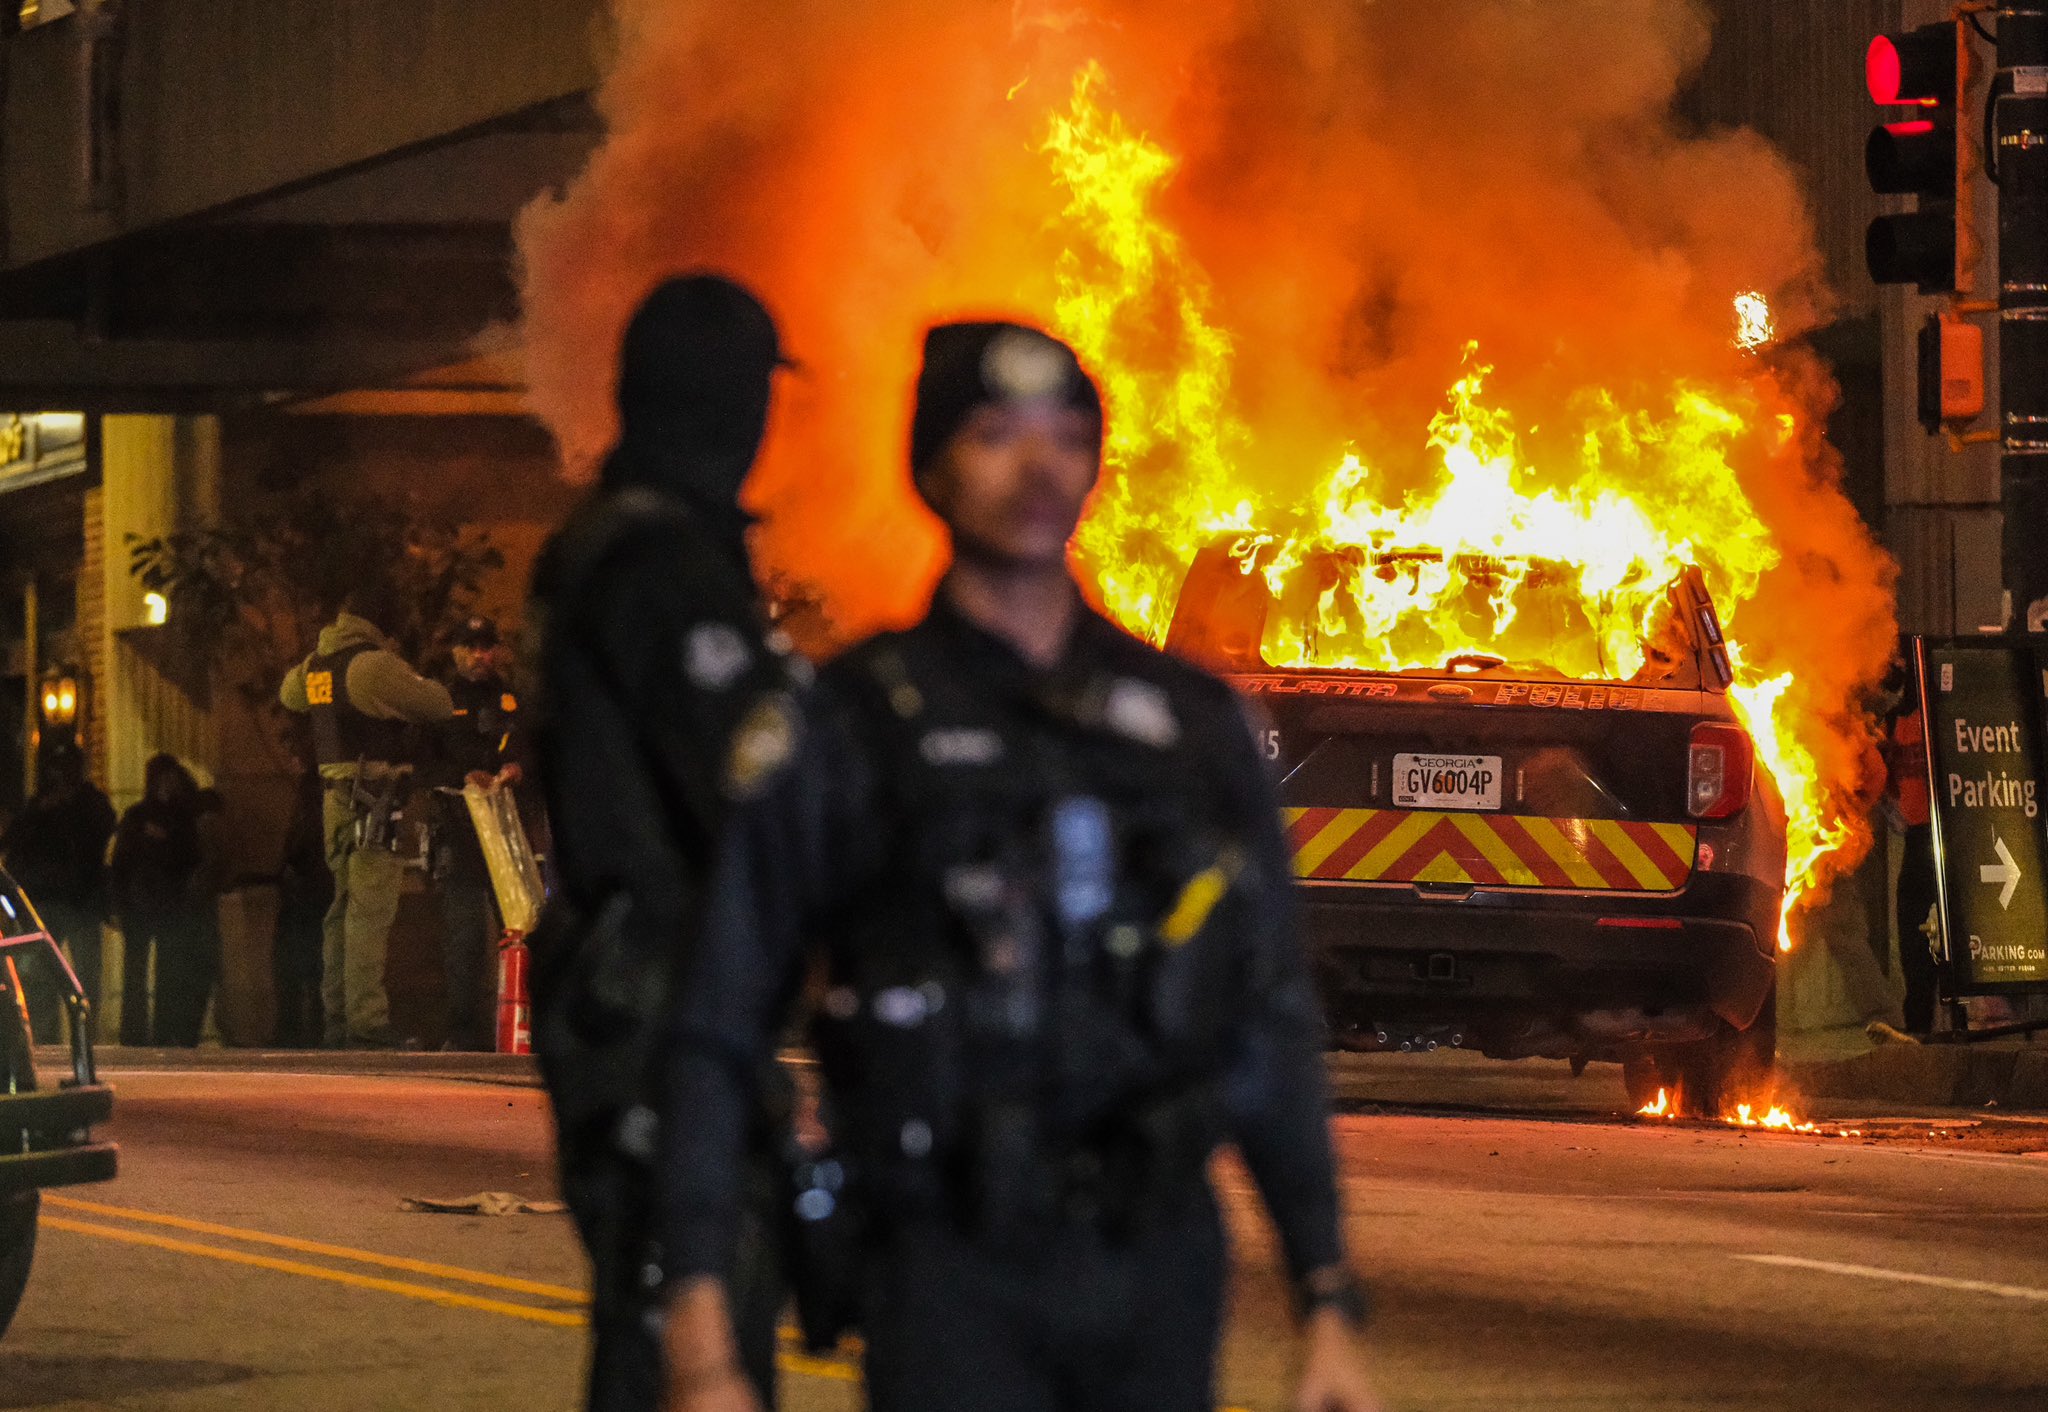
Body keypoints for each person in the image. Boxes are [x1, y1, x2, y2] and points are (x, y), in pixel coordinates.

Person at [656, 322, 1381, 1412]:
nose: (1036, 465)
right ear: (933, 469)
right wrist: (702, 1325)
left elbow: (1265, 1016)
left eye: (1065, 434)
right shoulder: (853, 724)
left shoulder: (1187, 727)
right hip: (946, 1260)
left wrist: (1324, 1291)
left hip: (1154, 1258)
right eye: (995, 434)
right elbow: (720, 1019)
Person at [527, 273, 803, 1411]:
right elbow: (758, 776)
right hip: (659, 995)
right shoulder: (662, 566)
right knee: (689, 1330)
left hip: (630, 977)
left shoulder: (610, 540)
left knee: (666, 1327)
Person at [280, 584, 455, 1048]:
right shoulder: (374, 665)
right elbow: (437, 704)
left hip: (335, 797)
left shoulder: (316, 665)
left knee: (342, 908)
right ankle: (367, 1022)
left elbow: (289, 695)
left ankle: (338, 1018)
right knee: (370, 912)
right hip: (376, 796)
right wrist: (410, 674)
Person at [429, 615, 524, 1051]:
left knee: (519, 931)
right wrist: (463, 774)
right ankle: (463, 1034)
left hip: (508, 835)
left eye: (488, 646)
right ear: (456, 651)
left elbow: (531, 749)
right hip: (461, 830)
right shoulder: (439, 699)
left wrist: (516, 769)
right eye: (472, 647)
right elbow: (425, 760)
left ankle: (519, 1029)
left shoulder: (510, 698)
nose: (481, 655)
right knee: (464, 937)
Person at [0, 737, 116, 1041]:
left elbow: (101, 832)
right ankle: (45, 1036)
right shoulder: (40, 803)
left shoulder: (91, 802)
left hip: (81, 900)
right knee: (42, 974)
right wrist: (43, 811)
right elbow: (17, 840)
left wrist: (69, 808)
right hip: (48, 900)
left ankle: (86, 1037)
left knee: (86, 976)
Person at [108, 754, 208, 1047]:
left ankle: (162, 1030)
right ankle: (136, 1032)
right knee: (138, 971)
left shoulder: (180, 817)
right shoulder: (138, 816)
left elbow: (191, 857)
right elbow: (122, 861)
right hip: (142, 902)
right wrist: (118, 900)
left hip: (167, 902)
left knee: (167, 971)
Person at [1882, 661, 1939, 1036]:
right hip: (1916, 836)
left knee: (1940, 933)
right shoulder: (1893, 721)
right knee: (1913, 934)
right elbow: (1885, 780)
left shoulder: (1940, 711)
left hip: (1944, 834)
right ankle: (1918, 1025)